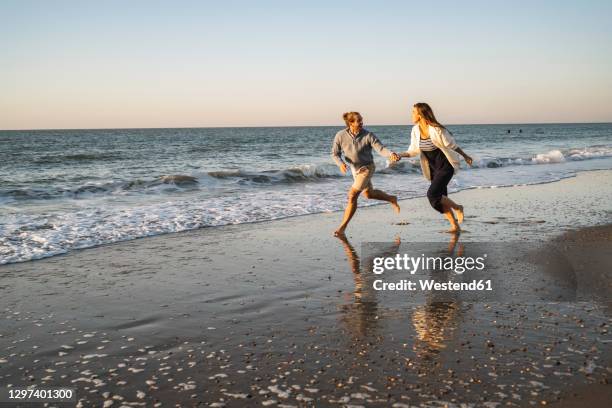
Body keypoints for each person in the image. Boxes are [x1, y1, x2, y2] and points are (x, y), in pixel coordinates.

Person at [399, 103, 473, 233]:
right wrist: (399, 155)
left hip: (446, 166)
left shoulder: (436, 129)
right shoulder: (415, 130)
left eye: (413, 112)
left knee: (432, 194)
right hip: (433, 169)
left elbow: (452, 145)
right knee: (439, 201)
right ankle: (455, 226)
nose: (411, 114)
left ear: (420, 114)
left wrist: (465, 156)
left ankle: (457, 207)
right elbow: (413, 151)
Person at [331, 111, 401, 236]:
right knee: (369, 194)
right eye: (358, 120)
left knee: (352, 195)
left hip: (367, 168)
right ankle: (391, 198)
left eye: (361, 120)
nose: (361, 122)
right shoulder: (340, 135)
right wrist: (340, 163)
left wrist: (391, 154)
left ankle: (342, 228)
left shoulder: (368, 135)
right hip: (354, 169)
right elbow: (335, 154)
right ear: (350, 123)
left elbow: (380, 148)